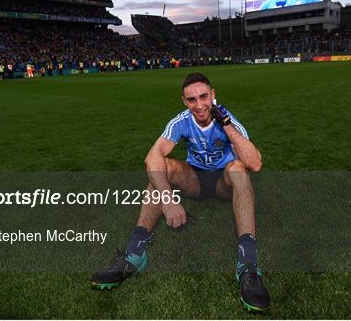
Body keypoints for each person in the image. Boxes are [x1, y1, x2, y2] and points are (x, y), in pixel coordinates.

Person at [90, 72, 270, 313]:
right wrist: (167, 199)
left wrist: (226, 125)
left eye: (204, 97)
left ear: (213, 95)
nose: (199, 105)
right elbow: (152, 157)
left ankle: (248, 265)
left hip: (223, 182)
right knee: (162, 166)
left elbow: (255, 163)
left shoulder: (228, 121)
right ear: (184, 101)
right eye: (192, 99)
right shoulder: (181, 121)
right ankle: (134, 255)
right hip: (194, 180)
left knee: (239, 168)